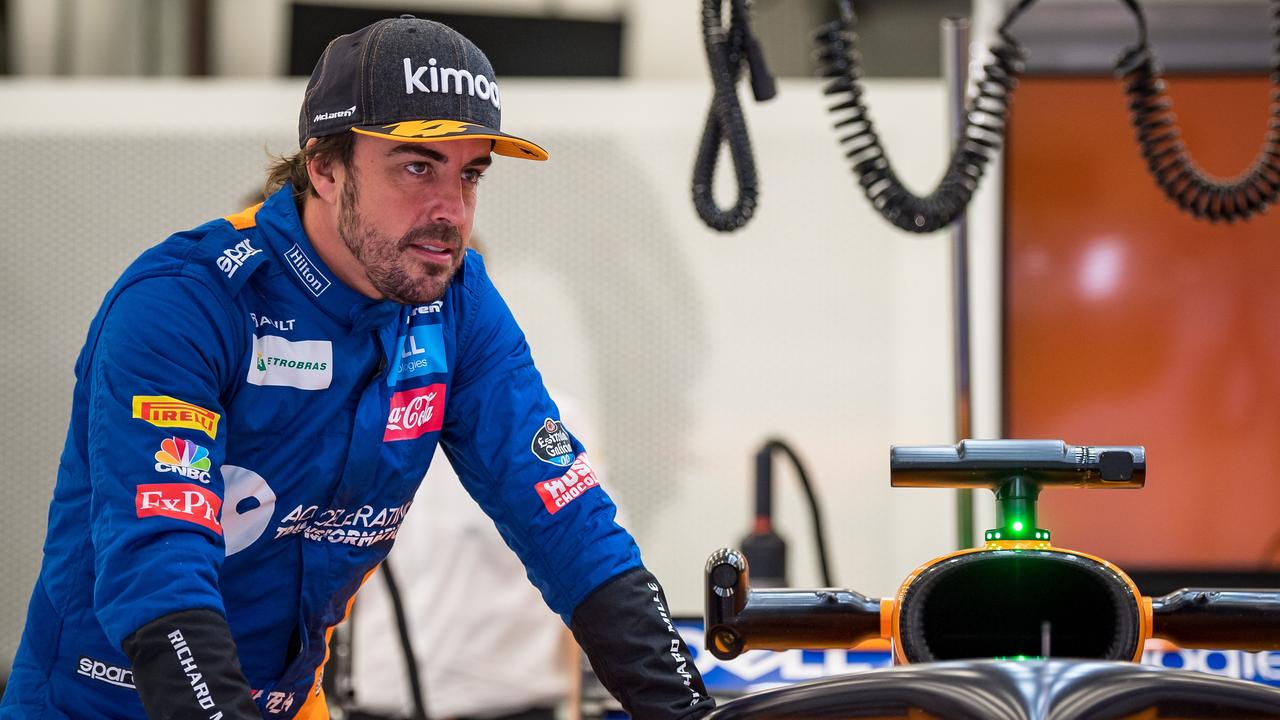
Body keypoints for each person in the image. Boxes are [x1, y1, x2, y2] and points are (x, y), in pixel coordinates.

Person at [0, 15, 713, 720]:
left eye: (470, 174)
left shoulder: (458, 303)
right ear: (324, 166)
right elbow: (158, 563)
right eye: (416, 167)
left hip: (284, 699)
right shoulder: (186, 302)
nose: (451, 211)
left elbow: (568, 520)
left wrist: (682, 706)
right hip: (98, 703)